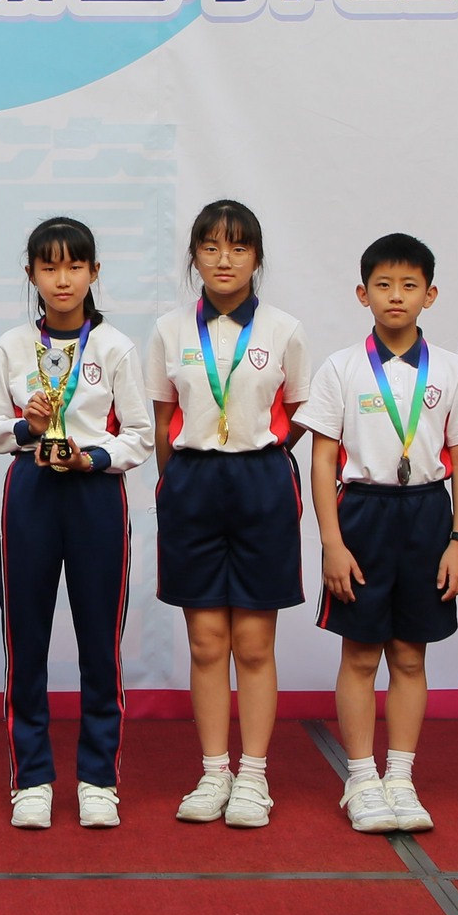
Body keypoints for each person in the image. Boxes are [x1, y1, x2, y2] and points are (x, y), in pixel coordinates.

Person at [302, 233, 458, 835]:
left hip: (428, 515)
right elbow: (322, 458)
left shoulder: (452, 370)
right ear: (363, 294)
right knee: (360, 654)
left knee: (410, 654)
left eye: (410, 285)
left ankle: (400, 778)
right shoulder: (341, 367)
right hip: (363, 514)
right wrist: (332, 543)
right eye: (383, 285)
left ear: (430, 294)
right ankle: (360, 778)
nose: (396, 296)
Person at [148, 201, 311, 830]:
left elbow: (297, 413)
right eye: (211, 247)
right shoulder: (169, 330)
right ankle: (214, 770)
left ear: (257, 258)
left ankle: (253, 776)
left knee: (254, 642)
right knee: (206, 639)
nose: (224, 260)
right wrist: (177, 483)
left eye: (238, 248)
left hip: (260, 484)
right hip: (191, 484)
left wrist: (257, 455)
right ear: (194, 256)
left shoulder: (283, 329)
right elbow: (164, 420)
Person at [0, 217, 154, 830]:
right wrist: (27, 426)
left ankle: (98, 778)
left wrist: (95, 458)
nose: (63, 279)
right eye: (50, 267)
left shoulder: (114, 348)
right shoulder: (11, 346)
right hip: (31, 490)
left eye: (75, 266)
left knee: (99, 643)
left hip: (95, 494)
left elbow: (140, 435)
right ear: (31, 273)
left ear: (94, 272)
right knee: (25, 639)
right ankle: (31, 777)